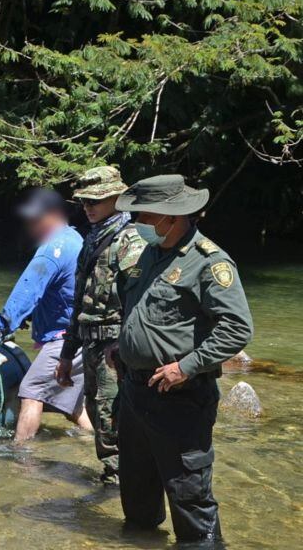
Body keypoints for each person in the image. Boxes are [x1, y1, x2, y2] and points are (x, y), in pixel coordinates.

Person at [112, 174, 252, 544]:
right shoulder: (150, 254)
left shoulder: (209, 263)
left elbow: (237, 328)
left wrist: (185, 367)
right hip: (135, 392)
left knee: (190, 498)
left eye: (142, 216)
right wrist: (124, 346)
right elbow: (142, 311)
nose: (136, 223)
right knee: (137, 499)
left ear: (168, 218)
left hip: (179, 398)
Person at [0, 187, 89, 440]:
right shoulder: (77, 240)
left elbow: (30, 287)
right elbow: (62, 292)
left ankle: (21, 455)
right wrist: (27, 318)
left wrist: (2, 321)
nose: (32, 226)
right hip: (83, 335)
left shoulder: (53, 248)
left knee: (32, 389)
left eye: (36, 220)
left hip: (64, 338)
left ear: (55, 215)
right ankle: (95, 445)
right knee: (73, 404)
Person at [55, 167, 145, 483]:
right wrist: (67, 354)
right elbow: (79, 301)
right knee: (96, 411)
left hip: (115, 346)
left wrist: (124, 345)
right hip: (91, 341)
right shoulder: (92, 239)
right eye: (84, 202)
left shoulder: (130, 241)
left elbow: (141, 300)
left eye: (97, 200)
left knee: (112, 416)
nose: (88, 207)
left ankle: (122, 480)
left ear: (118, 199)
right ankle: (117, 476)